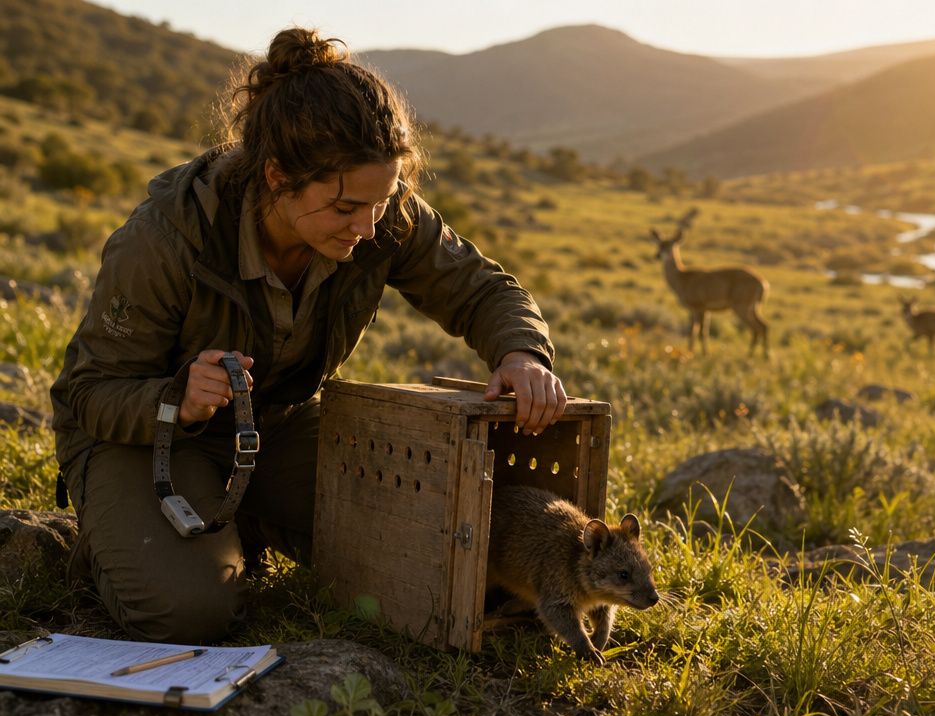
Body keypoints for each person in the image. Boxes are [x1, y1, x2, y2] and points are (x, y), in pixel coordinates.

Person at [49, 27, 567, 644]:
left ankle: (249, 516)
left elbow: (483, 290)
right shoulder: (164, 239)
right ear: (276, 175)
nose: (368, 227)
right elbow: (91, 391)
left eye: (380, 202)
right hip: (144, 435)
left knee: (450, 557)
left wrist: (522, 353)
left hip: (276, 425)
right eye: (345, 207)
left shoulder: (380, 209)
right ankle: (111, 538)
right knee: (188, 613)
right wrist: (180, 398)